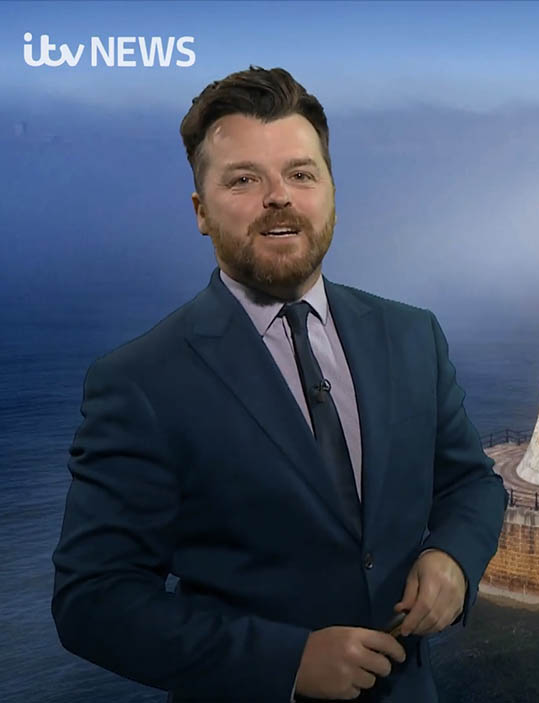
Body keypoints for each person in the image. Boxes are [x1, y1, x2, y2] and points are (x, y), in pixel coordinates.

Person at [51, 65, 508, 702]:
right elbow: (91, 601)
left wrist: (454, 558)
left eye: (301, 173)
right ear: (200, 211)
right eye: (244, 179)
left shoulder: (412, 335)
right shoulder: (140, 382)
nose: (279, 197)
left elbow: (469, 482)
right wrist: (286, 663)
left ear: (331, 194)